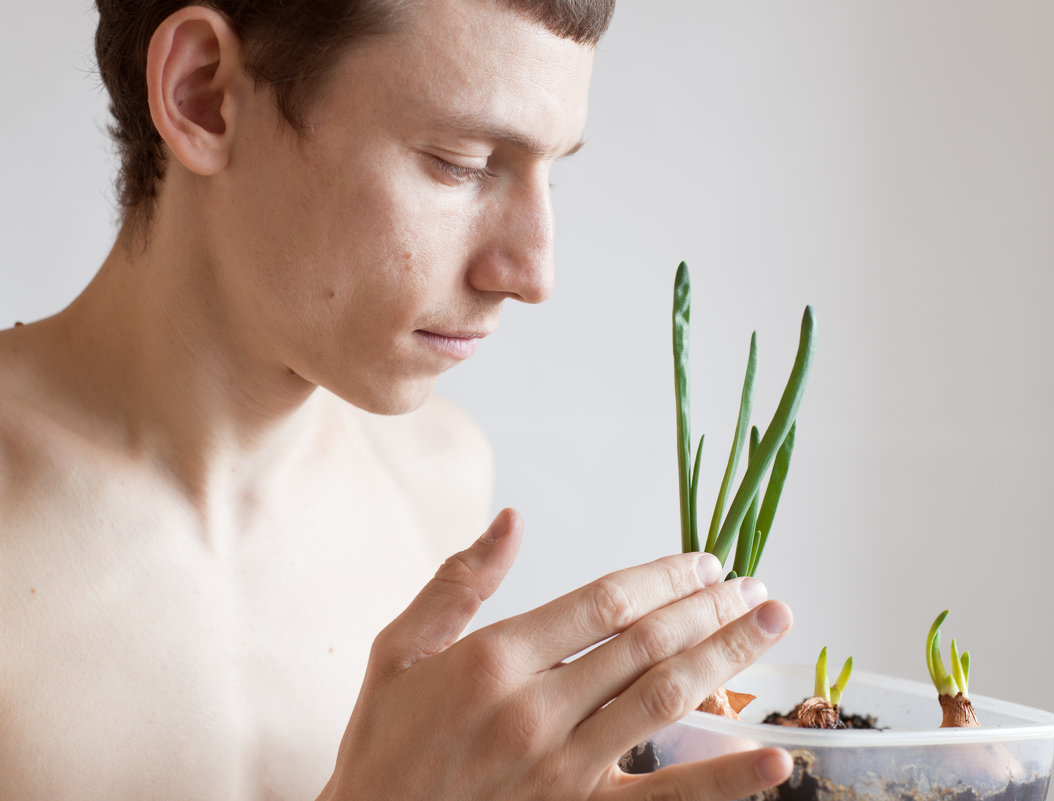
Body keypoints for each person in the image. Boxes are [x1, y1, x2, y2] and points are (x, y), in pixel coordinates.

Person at [0, 0, 796, 798]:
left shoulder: (435, 476)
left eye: (550, 171)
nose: (531, 273)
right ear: (203, 94)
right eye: (460, 161)